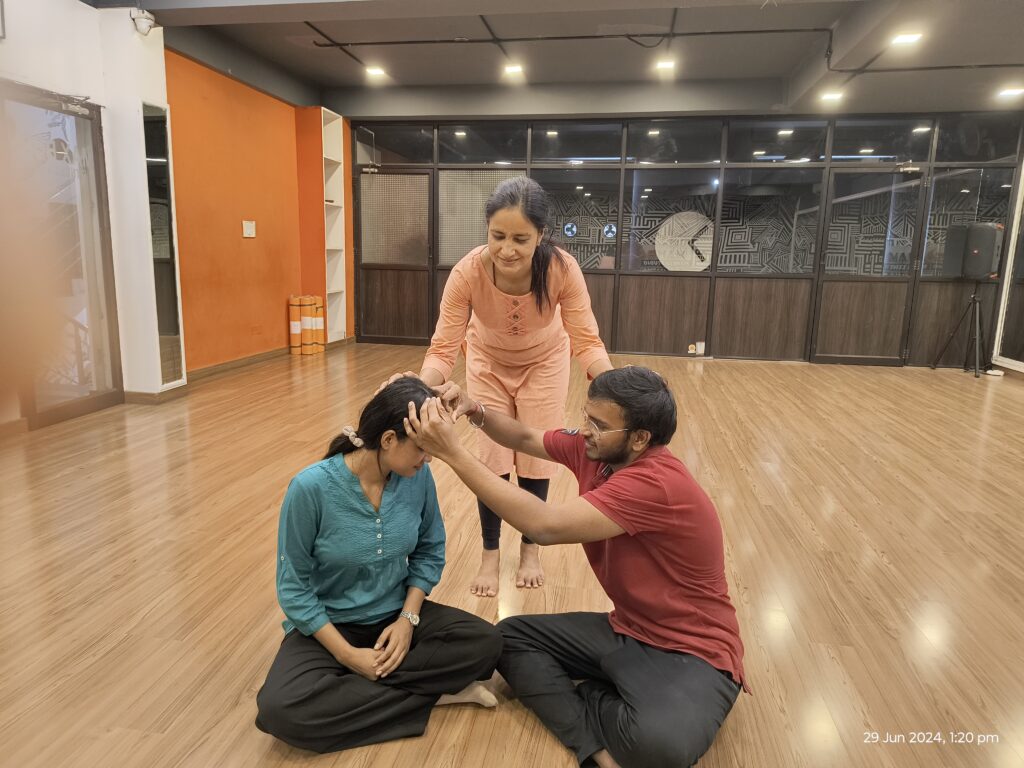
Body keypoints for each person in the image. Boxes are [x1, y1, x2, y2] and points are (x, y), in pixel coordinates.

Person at [405, 367, 747, 768]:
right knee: (509, 638)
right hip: (629, 629)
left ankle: (597, 699)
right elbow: (525, 437)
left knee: (660, 749)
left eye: (599, 425)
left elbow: (543, 527)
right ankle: (598, 743)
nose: (585, 430)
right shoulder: (599, 450)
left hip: (693, 651)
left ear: (640, 438)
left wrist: (453, 453)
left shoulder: (655, 483)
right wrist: (474, 409)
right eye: (587, 416)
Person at [254, 377, 503, 754]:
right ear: (388, 440)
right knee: (280, 710)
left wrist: (407, 619)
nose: (429, 459)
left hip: (395, 613)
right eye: (422, 448)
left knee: (486, 643)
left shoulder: (417, 479)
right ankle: (434, 694)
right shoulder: (310, 488)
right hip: (329, 625)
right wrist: (347, 655)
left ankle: (355, 692)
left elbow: (430, 550)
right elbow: (294, 588)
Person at [401, 176, 613, 597]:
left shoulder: (562, 270)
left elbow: (587, 341)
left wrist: (614, 386)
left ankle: (531, 548)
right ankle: (490, 552)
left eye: (520, 238)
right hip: (488, 361)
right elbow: (443, 348)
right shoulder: (466, 273)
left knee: (537, 453)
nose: (507, 249)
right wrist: (417, 388)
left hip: (546, 362)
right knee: (492, 456)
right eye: (498, 236)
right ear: (487, 229)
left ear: (541, 234)